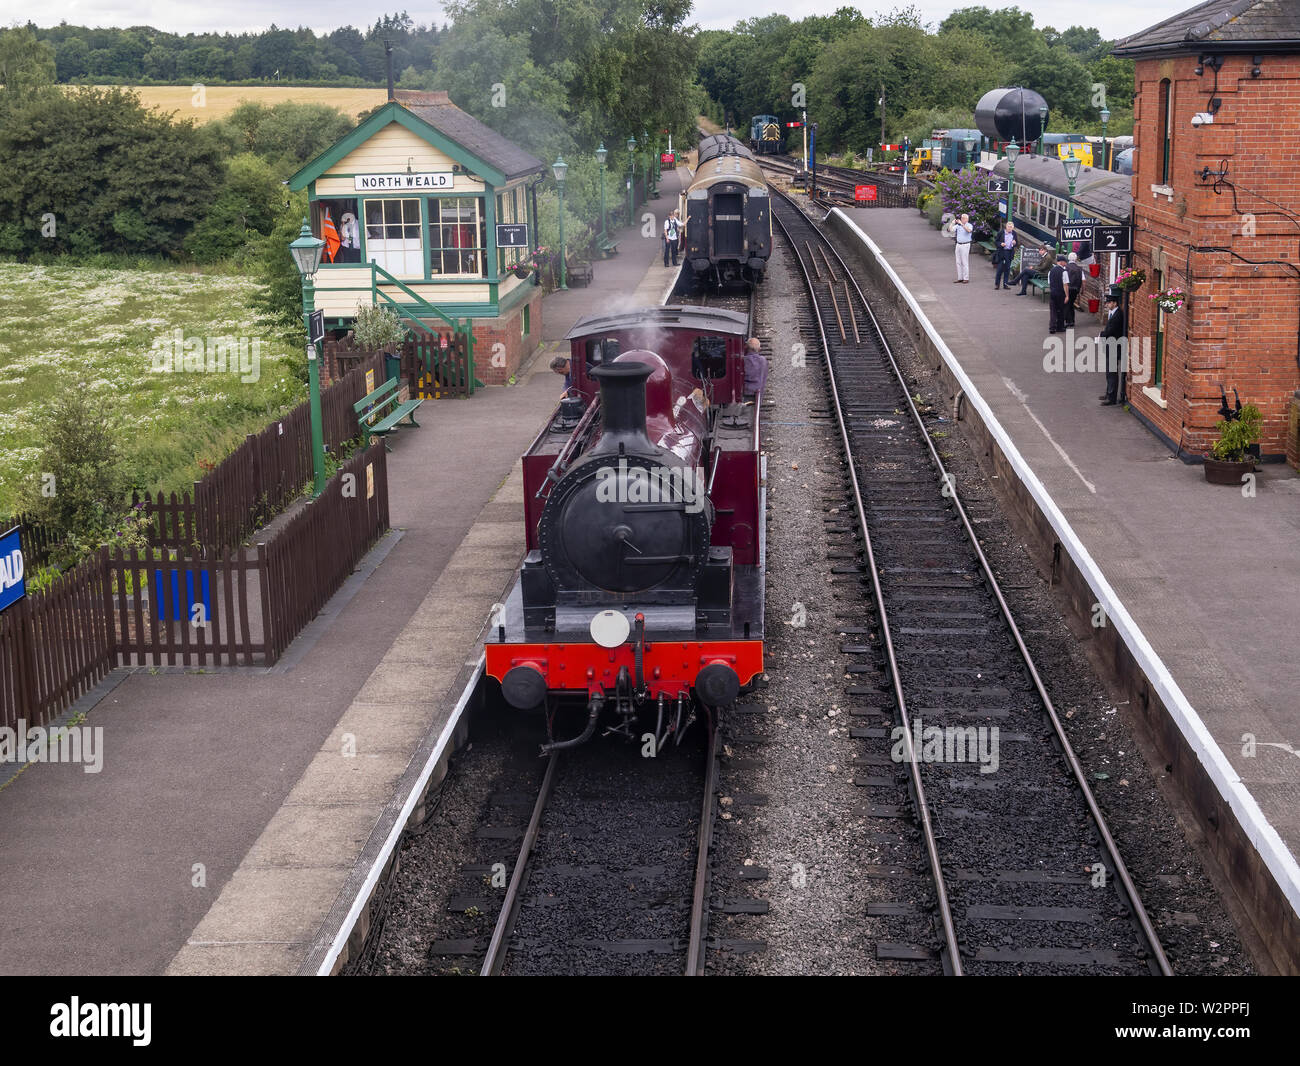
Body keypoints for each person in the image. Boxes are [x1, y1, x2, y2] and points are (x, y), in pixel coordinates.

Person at [1098, 293, 1127, 406]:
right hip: (1111, 346)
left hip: (1115, 347)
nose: (1107, 304)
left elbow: (1110, 331)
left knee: (1112, 372)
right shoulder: (1113, 313)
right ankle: (1108, 392)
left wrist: (1101, 334)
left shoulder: (1118, 315)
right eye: (1107, 302)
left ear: (1115, 303)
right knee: (1109, 372)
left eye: (1109, 302)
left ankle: (1112, 397)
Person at [993, 221, 1017, 290]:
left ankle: (1005, 284)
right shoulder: (1001, 232)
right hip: (1002, 252)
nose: (1010, 229)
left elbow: (1016, 242)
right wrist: (1000, 244)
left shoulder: (1014, 233)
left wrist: (1014, 243)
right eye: (1009, 227)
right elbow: (996, 242)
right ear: (1006, 227)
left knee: (1007, 269)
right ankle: (997, 284)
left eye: (1011, 227)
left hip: (1009, 253)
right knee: (999, 269)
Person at [1047, 257, 1067, 333]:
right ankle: (1060, 327)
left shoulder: (1050, 271)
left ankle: (1052, 327)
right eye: (1065, 262)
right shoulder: (1064, 271)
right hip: (1061, 293)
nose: (1066, 264)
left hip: (1053, 292)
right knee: (1061, 310)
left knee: (1053, 311)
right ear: (1061, 262)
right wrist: (1067, 295)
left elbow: (1049, 283)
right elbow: (1065, 285)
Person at [1064, 252, 1084, 327]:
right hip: (1076, 289)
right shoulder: (1079, 269)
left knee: (1067, 305)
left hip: (1067, 289)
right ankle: (1072, 320)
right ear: (1075, 259)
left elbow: (1063, 279)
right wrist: (1082, 290)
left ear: (1068, 258)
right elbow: (1083, 280)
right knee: (1071, 304)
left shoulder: (1065, 267)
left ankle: (1068, 321)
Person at [953, 213, 973, 283]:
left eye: (964, 218)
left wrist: (962, 224)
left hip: (965, 244)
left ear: (967, 219)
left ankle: (966, 278)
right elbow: (950, 230)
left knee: (964, 261)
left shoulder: (969, 225)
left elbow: (969, 231)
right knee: (958, 262)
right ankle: (960, 277)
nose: (962, 219)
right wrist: (952, 223)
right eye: (962, 218)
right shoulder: (958, 226)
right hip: (958, 244)